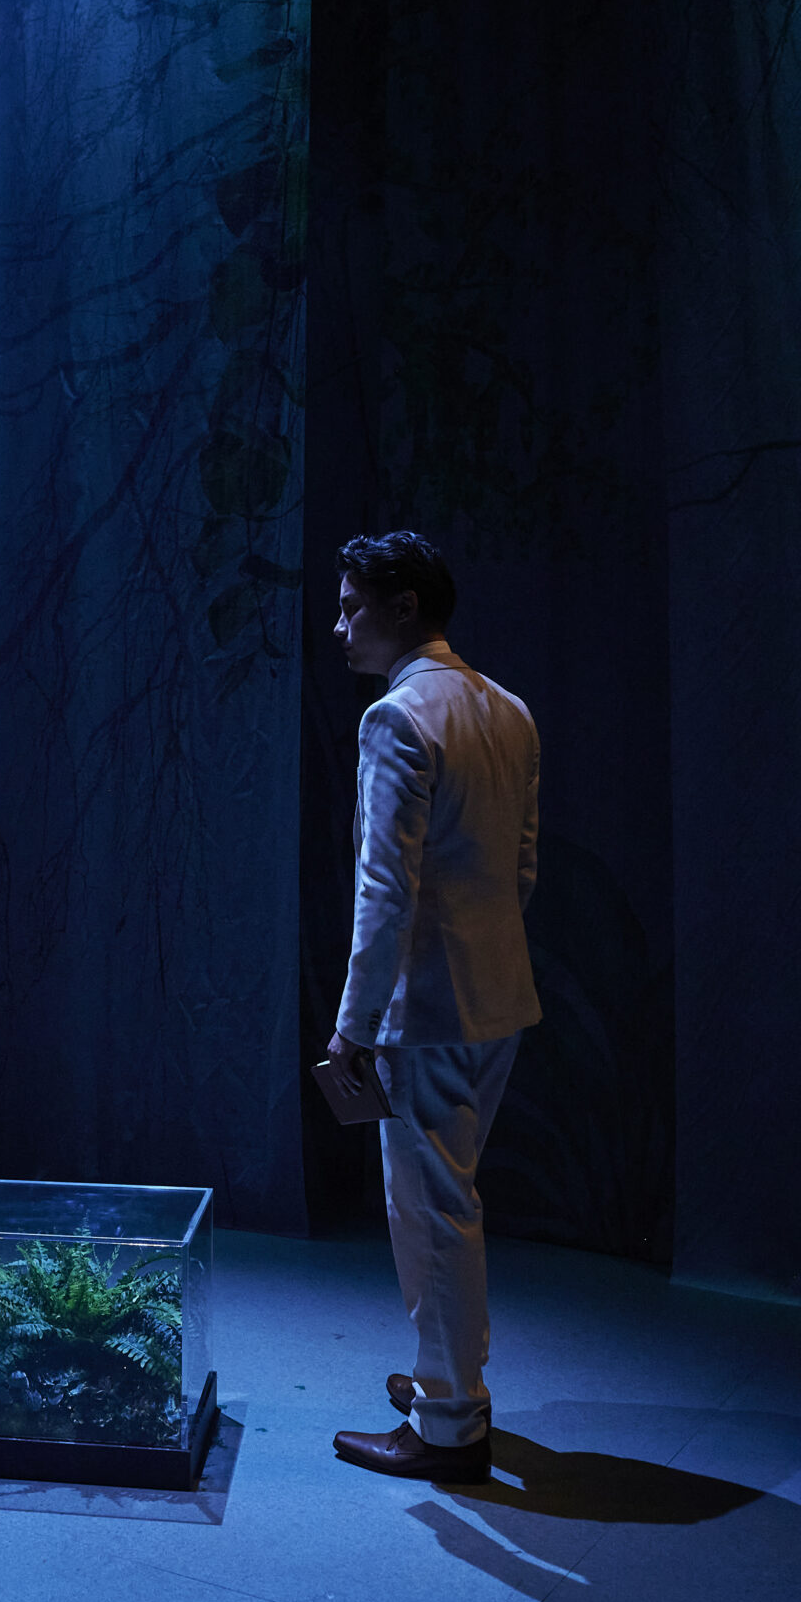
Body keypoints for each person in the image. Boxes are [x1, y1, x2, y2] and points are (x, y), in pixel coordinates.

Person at [323, 532, 542, 1484]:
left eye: (351, 605)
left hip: (430, 1012)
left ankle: (451, 1421)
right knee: (446, 1204)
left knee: (431, 1211)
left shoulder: (397, 719)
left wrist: (353, 1026)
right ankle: (444, 1379)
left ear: (404, 605)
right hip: (499, 996)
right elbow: (521, 868)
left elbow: (385, 893)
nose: (338, 624)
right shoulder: (509, 710)